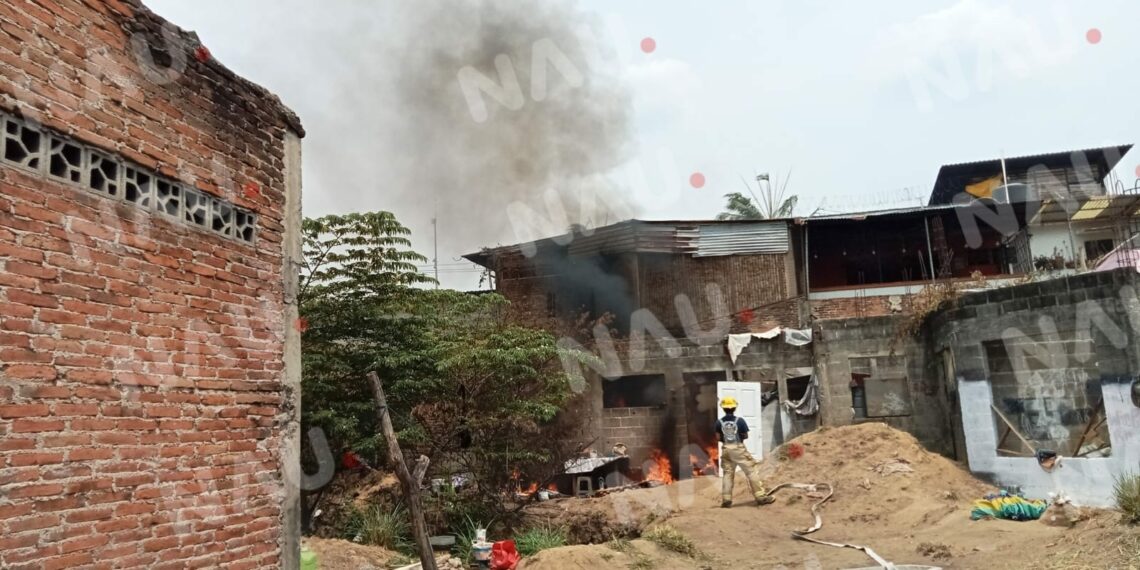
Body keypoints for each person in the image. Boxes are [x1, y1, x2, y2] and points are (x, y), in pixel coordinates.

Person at [715, 396, 773, 508]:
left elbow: (718, 438)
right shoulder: (740, 421)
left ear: (723, 408)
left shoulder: (719, 422)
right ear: (734, 408)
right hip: (738, 448)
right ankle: (761, 497)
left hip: (726, 449)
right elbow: (745, 435)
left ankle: (726, 500)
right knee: (751, 471)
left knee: (728, 474)